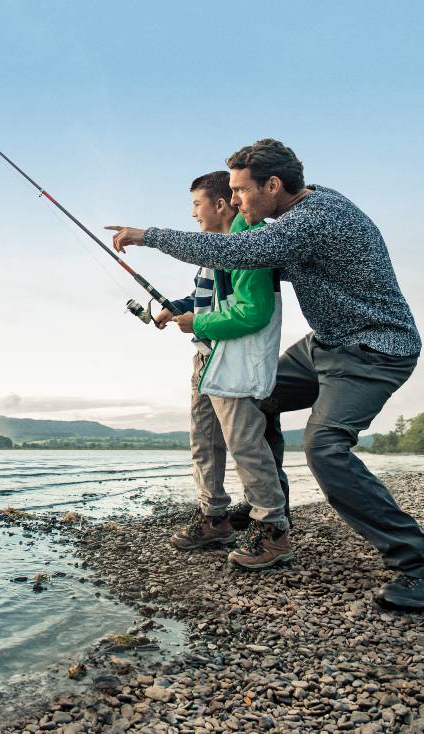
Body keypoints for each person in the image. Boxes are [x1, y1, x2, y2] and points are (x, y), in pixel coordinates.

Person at [106, 139, 424, 611]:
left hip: (374, 348)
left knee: (325, 449)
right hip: (325, 345)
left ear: (273, 185)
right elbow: (240, 260)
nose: (234, 202)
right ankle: (270, 521)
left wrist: (147, 235)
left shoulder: (314, 218)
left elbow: (235, 251)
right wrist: (191, 304)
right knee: (257, 396)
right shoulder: (304, 208)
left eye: (241, 191)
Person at [165, 170, 292, 568]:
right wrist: (180, 308)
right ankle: (213, 517)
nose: (193, 215)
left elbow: (251, 312)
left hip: (231, 360)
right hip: (205, 359)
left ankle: (272, 528)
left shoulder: (247, 245)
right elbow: (208, 299)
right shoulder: (211, 252)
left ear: (220, 204)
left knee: (244, 445)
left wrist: (198, 323)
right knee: (205, 443)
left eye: (196, 205)